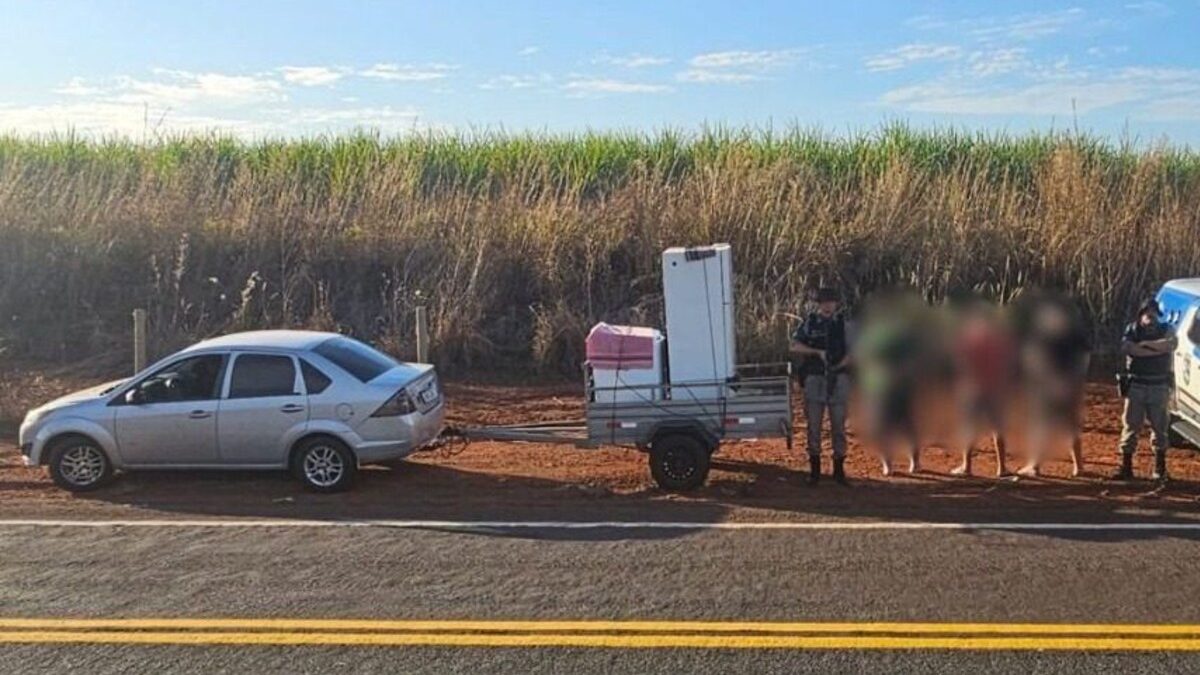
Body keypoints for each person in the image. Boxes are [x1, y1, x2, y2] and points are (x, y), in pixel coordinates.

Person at [1013, 291, 1091, 477]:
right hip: (1070, 385)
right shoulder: (1076, 335)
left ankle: (1035, 465)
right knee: (1071, 426)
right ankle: (1078, 466)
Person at [854, 290, 923, 477]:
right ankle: (888, 464)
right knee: (883, 428)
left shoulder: (907, 336)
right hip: (880, 388)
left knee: (909, 427)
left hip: (903, 388)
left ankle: (915, 462)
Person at [949, 296, 1016, 477]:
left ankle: (966, 466)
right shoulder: (998, 339)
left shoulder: (969, 337)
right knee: (998, 428)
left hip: (974, 389)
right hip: (994, 389)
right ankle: (1001, 468)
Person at [790, 287, 851, 485]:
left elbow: (857, 350)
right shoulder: (811, 322)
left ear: (836, 304)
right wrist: (816, 352)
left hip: (838, 378)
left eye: (831, 302)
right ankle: (814, 472)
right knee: (813, 427)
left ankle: (839, 472)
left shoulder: (845, 324)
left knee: (838, 427)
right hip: (815, 378)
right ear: (819, 304)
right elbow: (794, 345)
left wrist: (839, 365)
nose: (827, 305)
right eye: (824, 302)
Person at [1113, 298, 1176, 481]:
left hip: (1159, 386)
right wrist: (1156, 349)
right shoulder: (1132, 330)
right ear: (1141, 314)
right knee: (1131, 426)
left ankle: (1160, 468)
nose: (1151, 316)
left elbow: (1171, 344)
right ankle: (1126, 467)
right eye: (1148, 313)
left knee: (1160, 428)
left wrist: (1144, 346)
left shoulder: (1166, 329)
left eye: (1154, 312)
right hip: (1137, 386)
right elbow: (1129, 349)